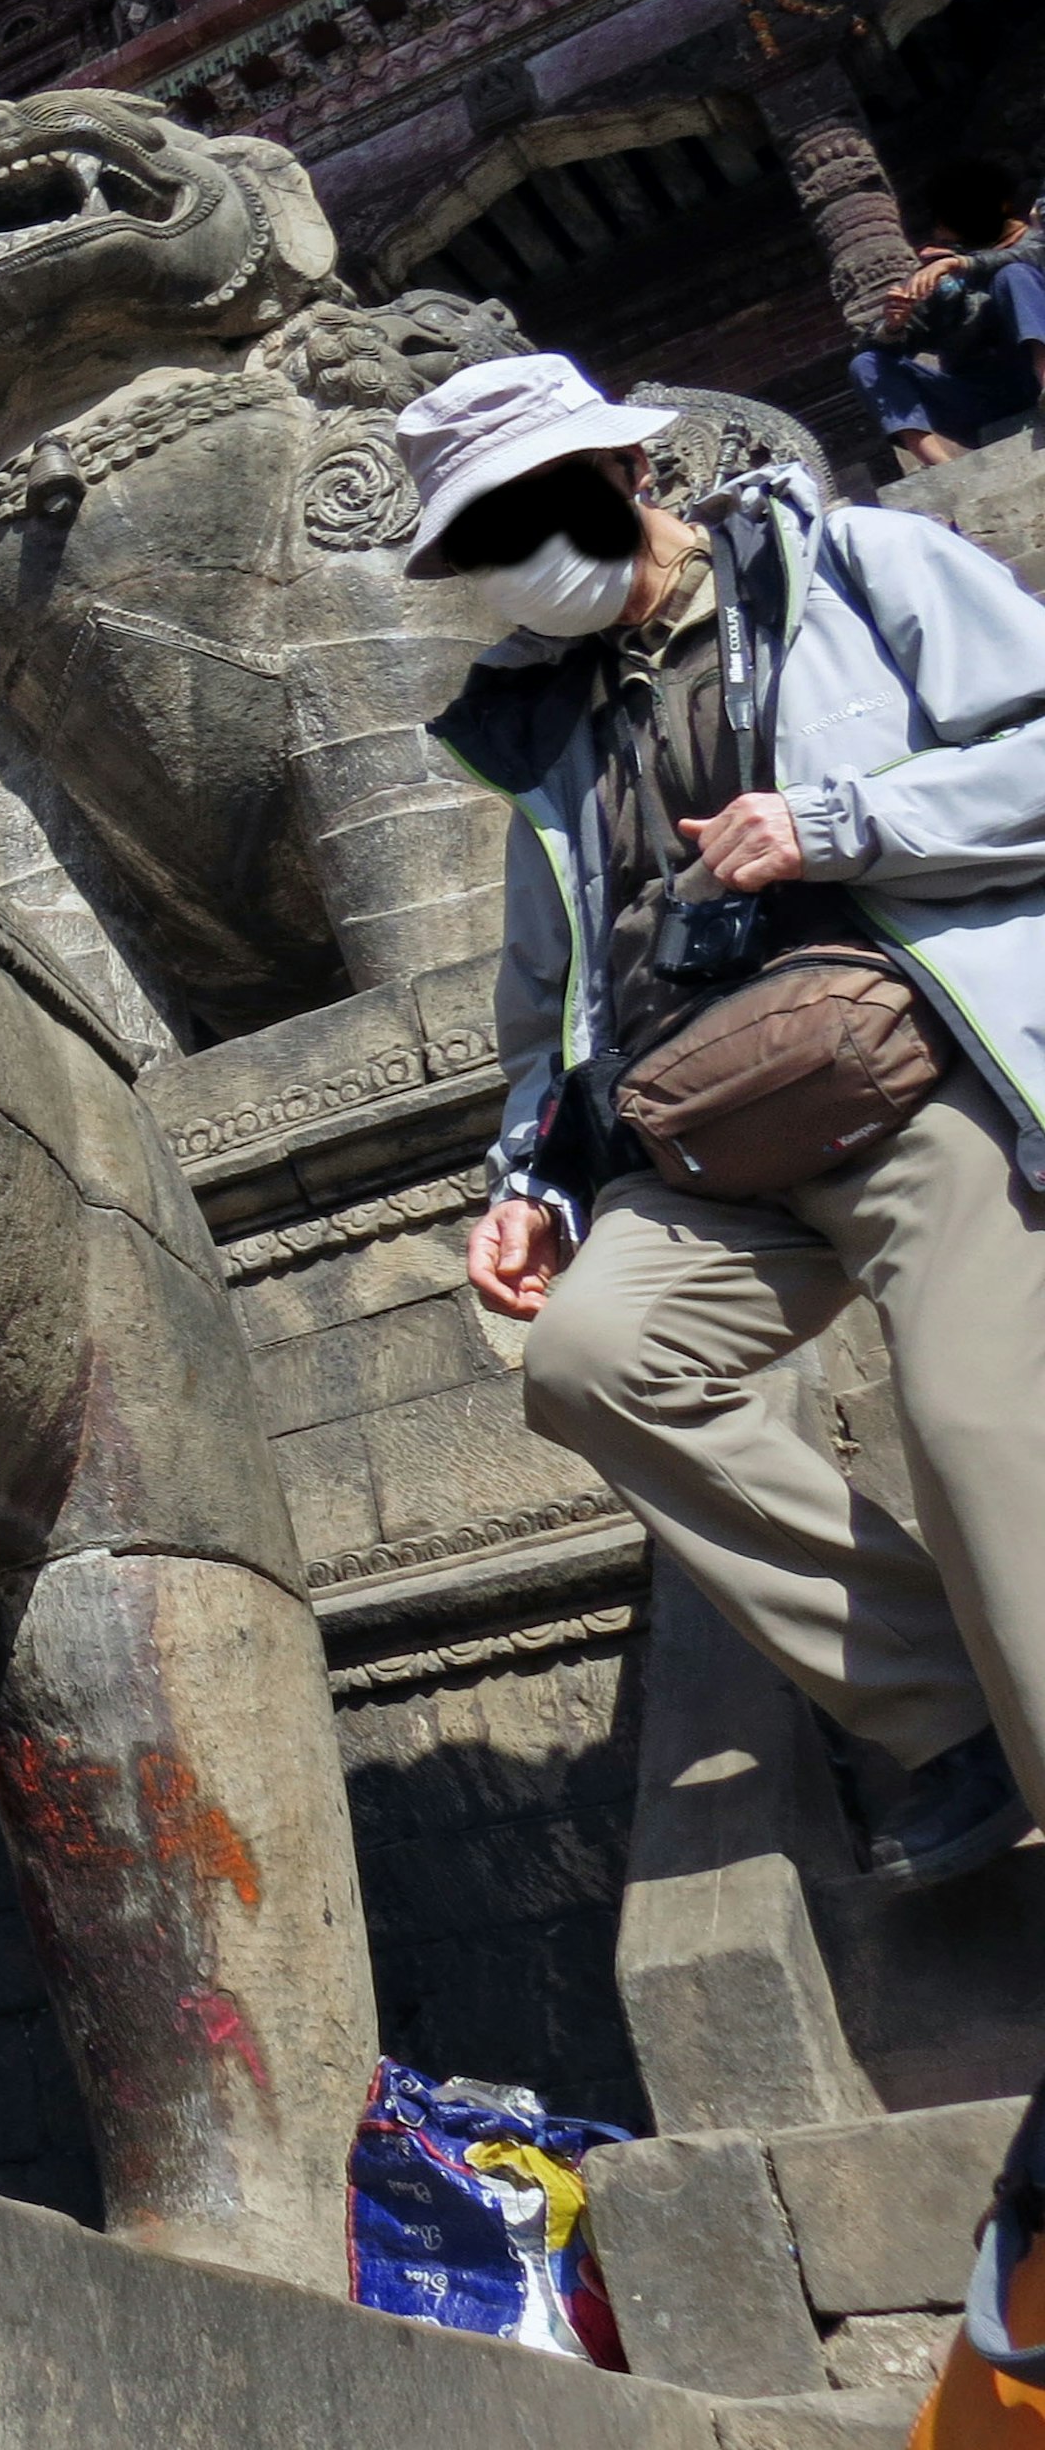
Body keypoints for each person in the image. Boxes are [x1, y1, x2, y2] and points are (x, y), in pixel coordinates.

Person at [406, 351, 1045, 1889]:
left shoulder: (855, 566)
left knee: (976, 1431)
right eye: (485, 542)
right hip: (700, 1136)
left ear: (635, 476)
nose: (520, 564)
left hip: (915, 1076)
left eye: (533, 514)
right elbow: (546, 999)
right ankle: (951, 1716)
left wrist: (840, 823)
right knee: (593, 1362)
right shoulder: (545, 735)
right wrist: (529, 1182)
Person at [854, 153, 1045, 466]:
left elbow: (1029, 258)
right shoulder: (943, 277)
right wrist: (894, 325)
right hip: (982, 398)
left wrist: (964, 265)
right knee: (867, 363)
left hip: (1029, 370)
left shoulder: (1035, 239)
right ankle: (943, 467)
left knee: (1013, 275)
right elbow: (874, 347)